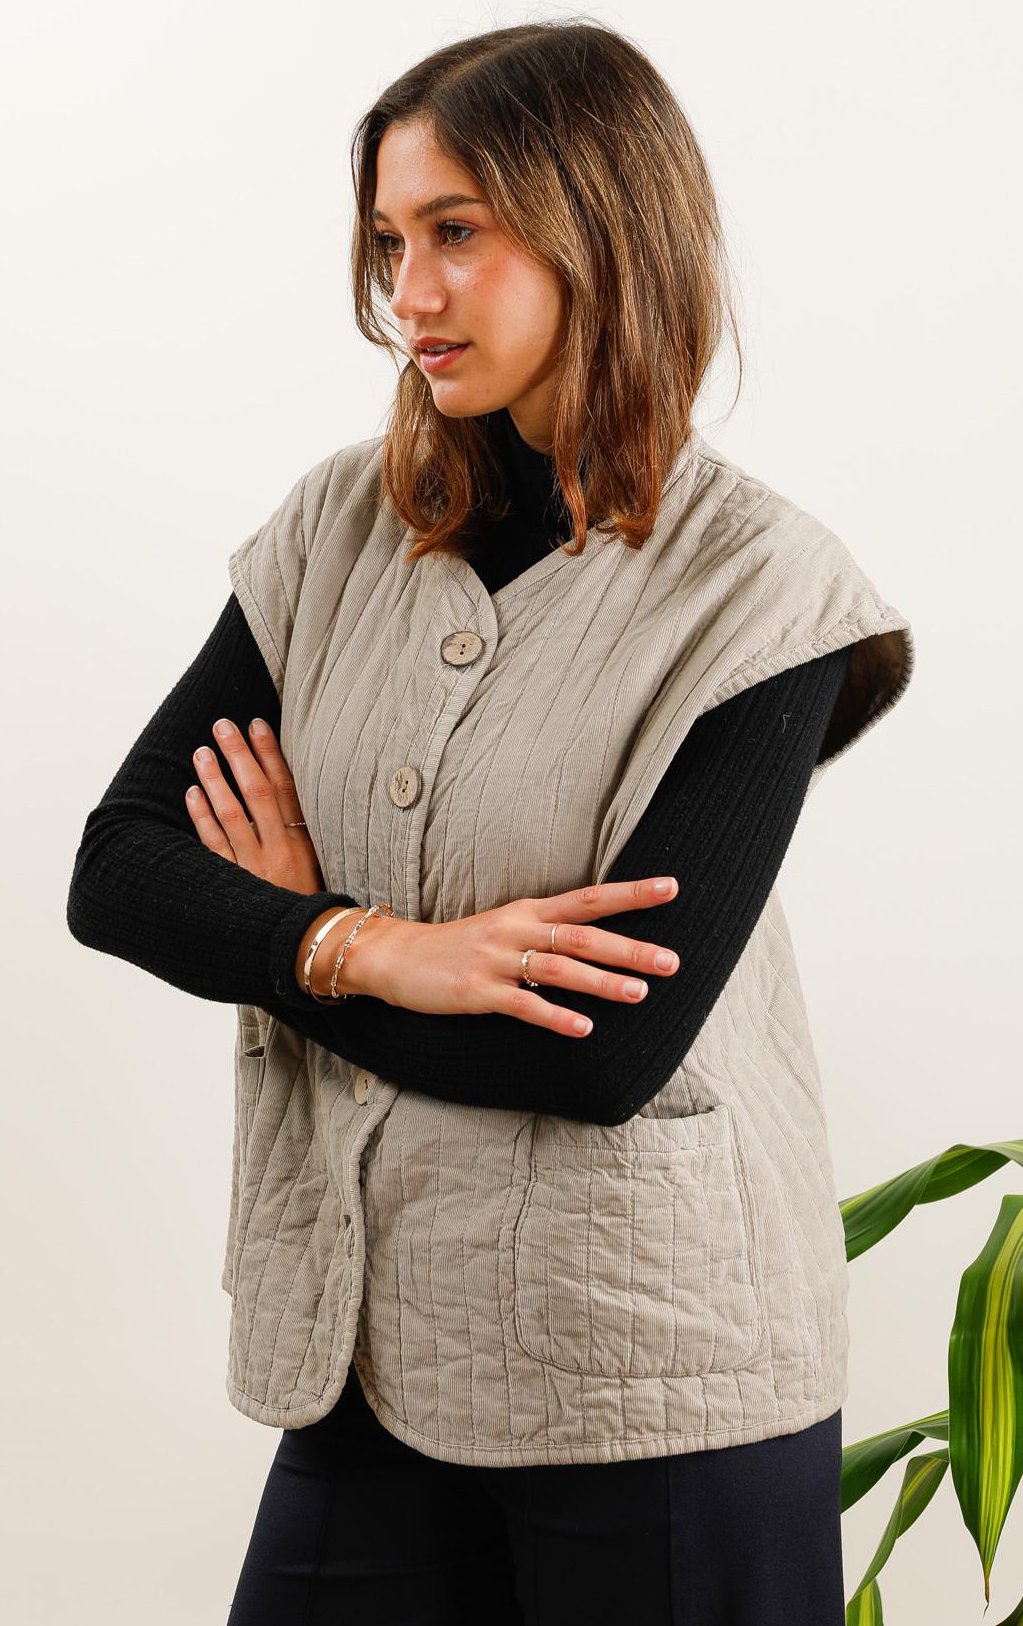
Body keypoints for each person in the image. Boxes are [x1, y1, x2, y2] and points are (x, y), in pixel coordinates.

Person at [65, 20, 915, 1625]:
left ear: (603, 225)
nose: (411, 293)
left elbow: (600, 1053)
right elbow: (118, 870)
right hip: (365, 1353)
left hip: (658, 1377)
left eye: (456, 231)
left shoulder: (763, 589)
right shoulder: (338, 527)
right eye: (391, 242)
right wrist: (369, 947)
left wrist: (273, 940)